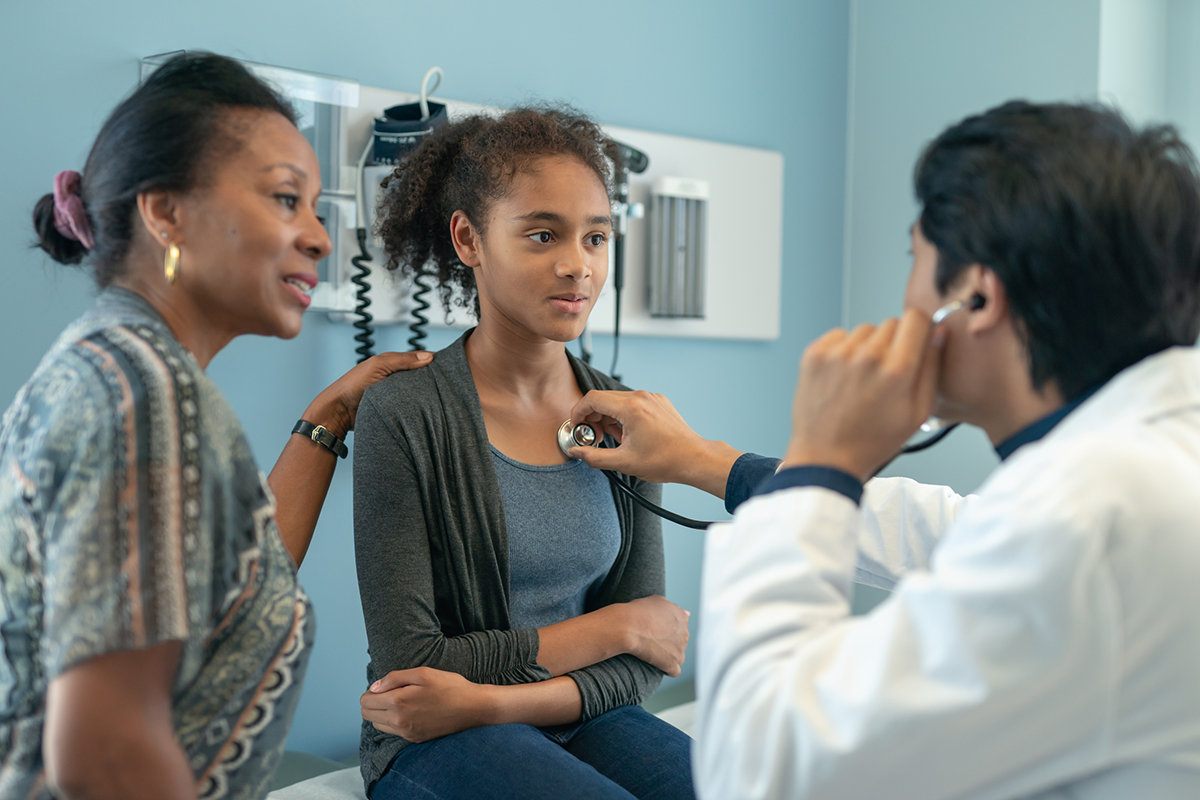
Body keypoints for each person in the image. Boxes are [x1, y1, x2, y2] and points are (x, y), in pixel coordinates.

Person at [568, 100, 1200, 799]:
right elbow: (957, 536)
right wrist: (706, 462)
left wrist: (823, 459)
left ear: (976, 301)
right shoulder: (1146, 462)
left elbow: (762, 765)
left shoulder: (1094, 519)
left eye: (915, 259)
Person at [0, 53, 431, 800]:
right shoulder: (144, 396)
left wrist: (329, 415)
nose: (321, 238)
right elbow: (106, 756)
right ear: (165, 211)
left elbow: (224, 592)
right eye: (285, 199)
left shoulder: (115, 366)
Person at [352, 106, 695, 800]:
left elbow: (647, 658)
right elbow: (414, 665)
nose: (578, 266)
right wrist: (615, 626)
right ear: (469, 239)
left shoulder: (626, 417)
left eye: (596, 238)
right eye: (543, 235)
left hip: (573, 713)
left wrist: (501, 699)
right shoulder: (406, 415)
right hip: (431, 737)